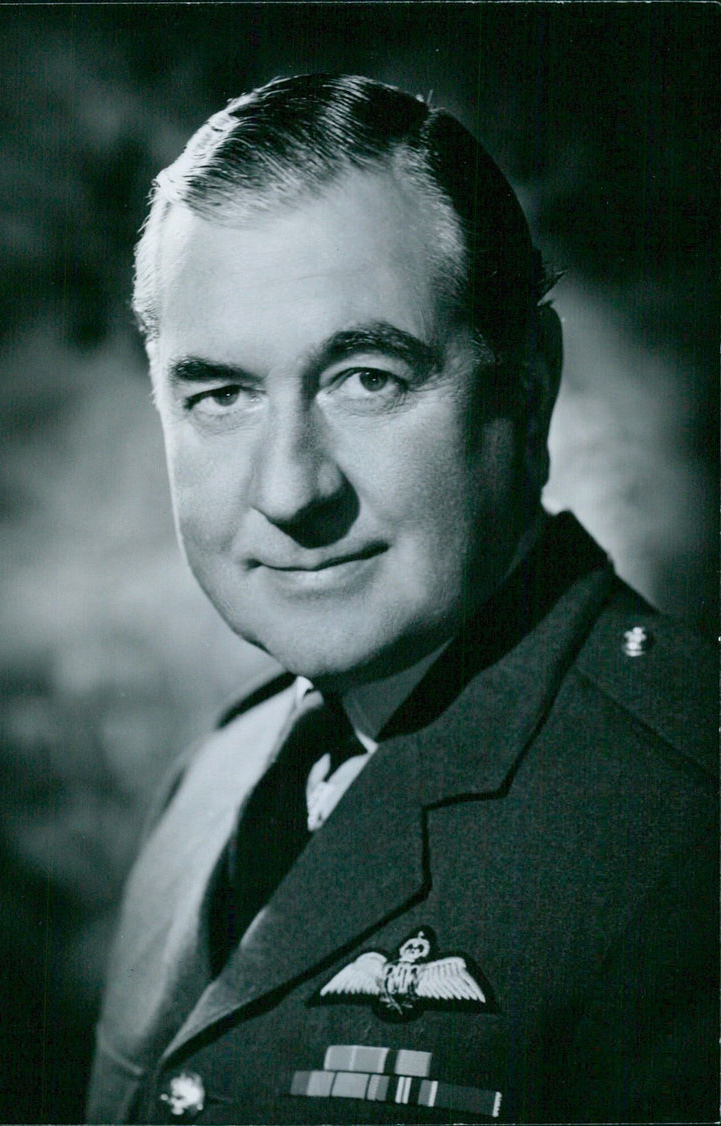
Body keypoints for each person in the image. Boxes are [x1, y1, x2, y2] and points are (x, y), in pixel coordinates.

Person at [86, 75, 717, 1124]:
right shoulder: (213, 783)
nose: (291, 489)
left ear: (524, 389)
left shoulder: (687, 821)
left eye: (366, 376)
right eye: (220, 395)